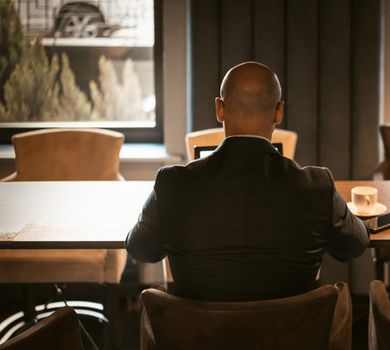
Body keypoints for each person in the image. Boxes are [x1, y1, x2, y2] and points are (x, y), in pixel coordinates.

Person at [126, 61, 369, 301]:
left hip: (199, 337)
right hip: (290, 337)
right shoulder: (316, 186)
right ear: (279, 112)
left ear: (219, 109)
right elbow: (354, 245)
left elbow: (140, 248)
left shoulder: (173, 184)